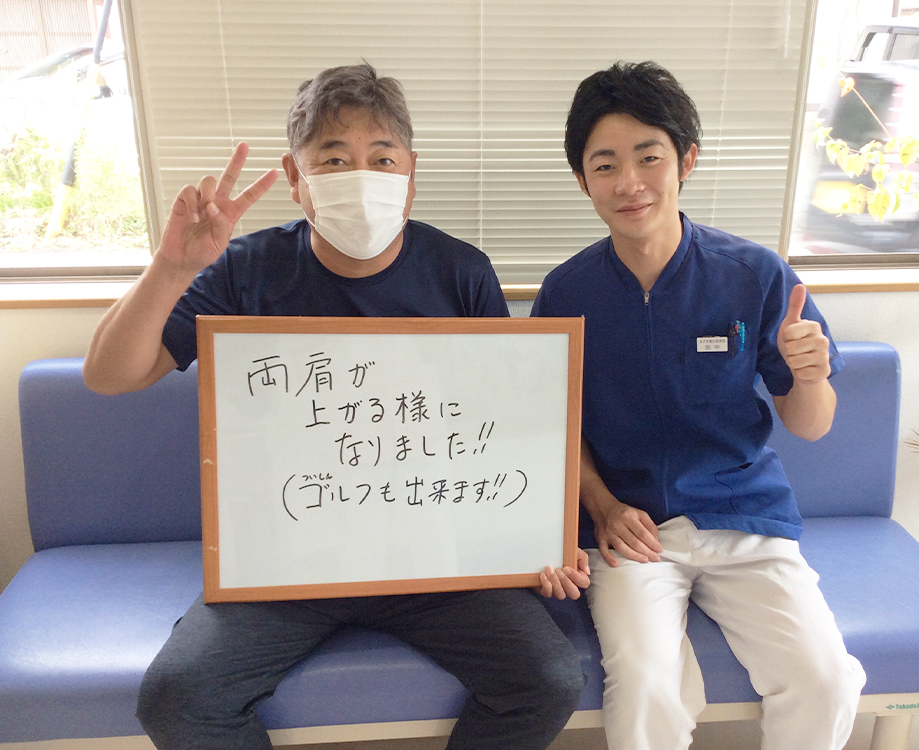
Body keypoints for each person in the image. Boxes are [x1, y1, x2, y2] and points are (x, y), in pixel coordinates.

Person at [83, 63, 588, 750]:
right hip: (286, 562)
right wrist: (172, 270)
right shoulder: (244, 269)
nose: (362, 177)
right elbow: (109, 376)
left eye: (382, 158)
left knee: (549, 679)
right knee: (178, 698)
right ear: (296, 178)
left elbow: (495, 429)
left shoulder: (461, 271)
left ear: (411, 173)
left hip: (435, 561)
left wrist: (539, 541)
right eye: (334, 160)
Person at [531, 61, 867, 750]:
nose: (629, 182)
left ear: (686, 160)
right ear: (583, 181)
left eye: (648, 157)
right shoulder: (567, 293)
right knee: (645, 685)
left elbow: (811, 425)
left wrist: (810, 377)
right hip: (631, 532)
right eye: (605, 165)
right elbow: (555, 425)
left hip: (743, 518)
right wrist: (602, 505)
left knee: (827, 680)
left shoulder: (755, 276)